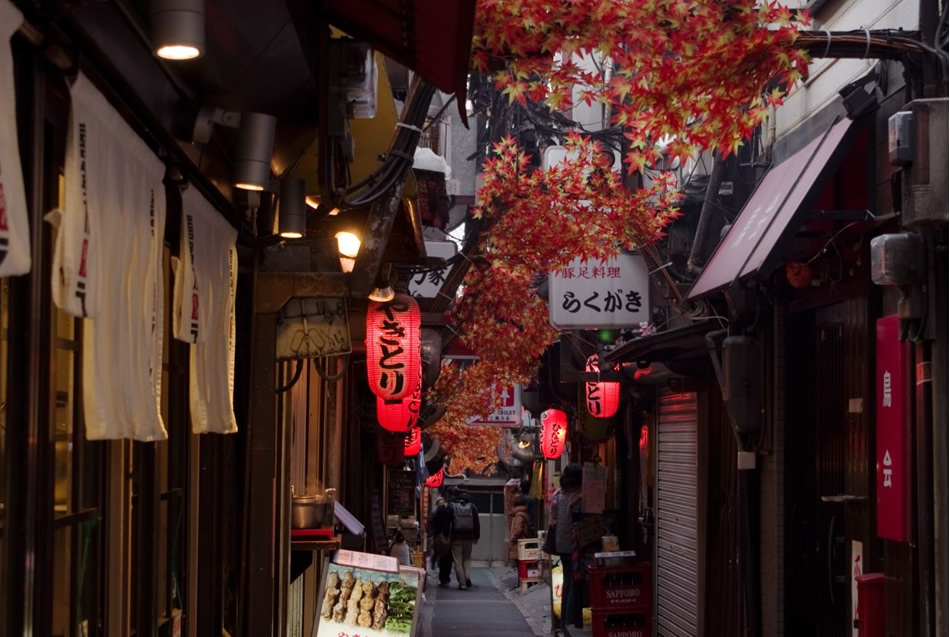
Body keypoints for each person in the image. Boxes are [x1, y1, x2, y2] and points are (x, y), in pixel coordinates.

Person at [551, 463, 582, 628]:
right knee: (573, 583)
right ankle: (569, 623)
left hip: (561, 544)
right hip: (574, 544)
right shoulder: (576, 497)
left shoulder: (558, 495)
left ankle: (564, 623)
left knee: (567, 581)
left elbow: (554, 518)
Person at [448, 487, 480, 589]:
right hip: (469, 536)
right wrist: (476, 536)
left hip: (456, 536)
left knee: (457, 560)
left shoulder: (452, 506)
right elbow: (476, 523)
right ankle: (467, 576)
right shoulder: (473, 507)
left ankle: (462, 583)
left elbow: (448, 523)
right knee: (467, 558)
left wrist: (446, 536)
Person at [429, 496, 454, 587]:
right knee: (447, 558)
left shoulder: (435, 512)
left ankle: (441, 576)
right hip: (448, 538)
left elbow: (432, 524)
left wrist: (432, 535)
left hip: (438, 537)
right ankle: (445, 577)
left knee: (439, 554)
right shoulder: (449, 510)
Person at [508, 494, 532, 566]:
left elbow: (518, 529)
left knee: (518, 565)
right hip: (522, 541)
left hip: (518, 542)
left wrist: (512, 539)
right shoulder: (523, 513)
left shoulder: (519, 515)